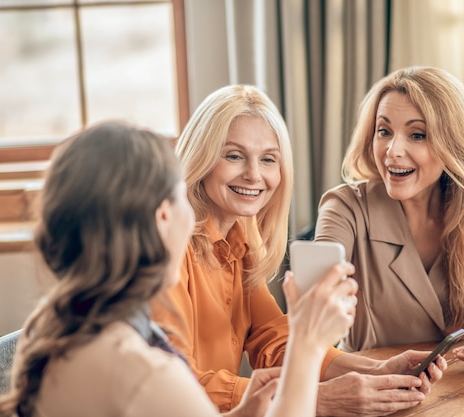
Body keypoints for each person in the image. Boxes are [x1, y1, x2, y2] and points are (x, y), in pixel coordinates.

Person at [0, 121, 359, 417]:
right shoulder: (144, 373)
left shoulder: (53, 324)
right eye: (184, 193)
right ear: (163, 216)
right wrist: (307, 348)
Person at [152, 84, 447, 417]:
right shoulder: (169, 246)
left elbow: (273, 339)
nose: (254, 174)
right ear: (201, 157)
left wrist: (371, 370)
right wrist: (318, 398)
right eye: (234, 155)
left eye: (268, 160)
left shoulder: (242, 234)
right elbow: (174, 382)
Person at [314, 66, 464, 366]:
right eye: (384, 131)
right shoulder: (344, 207)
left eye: (417, 135)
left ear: (451, 143)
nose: (392, 150)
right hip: (370, 390)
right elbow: (311, 309)